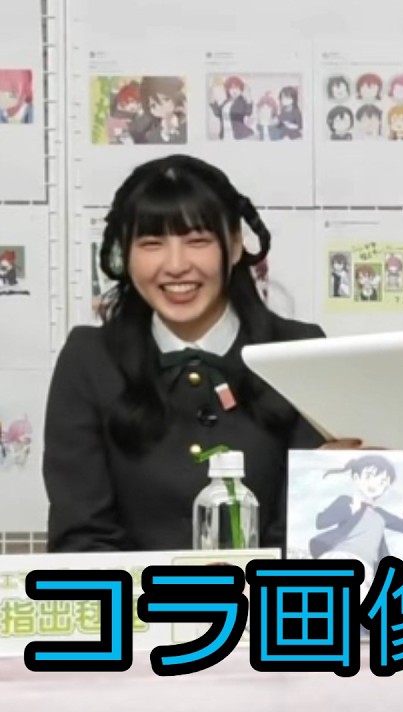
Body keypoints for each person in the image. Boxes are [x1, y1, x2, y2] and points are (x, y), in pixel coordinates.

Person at [43, 154, 332, 552]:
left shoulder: (301, 352)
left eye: (197, 241)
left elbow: (305, 540)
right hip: (136, 594)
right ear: (125, 253)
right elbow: (81, 538)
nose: (176, 266)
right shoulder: (89, 360)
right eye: (152, 244)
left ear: (235, 245)